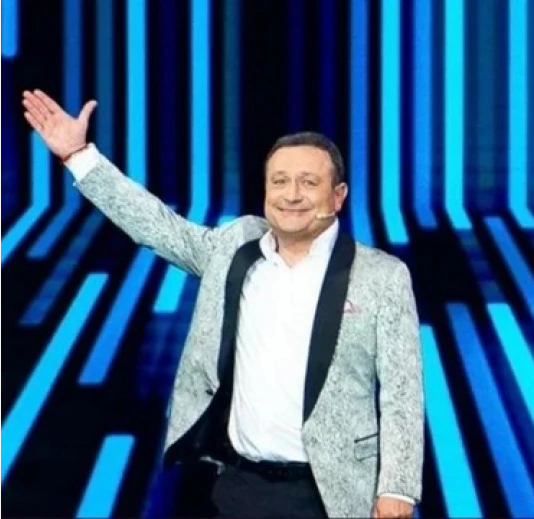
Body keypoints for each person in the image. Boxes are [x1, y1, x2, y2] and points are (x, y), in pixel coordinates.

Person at [21, 91, 424, 518]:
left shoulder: (381, 275)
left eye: (309, 182)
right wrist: (80, 157)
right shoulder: (236, 246)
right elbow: (159, 227)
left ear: (338, 195)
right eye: (279, 181)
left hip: (333, 494)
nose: (291, 195)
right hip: (238, 486)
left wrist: (397, 489)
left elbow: (402, 391)